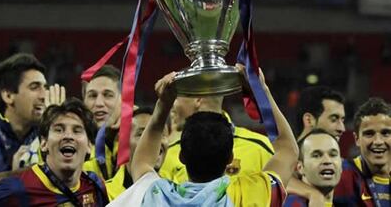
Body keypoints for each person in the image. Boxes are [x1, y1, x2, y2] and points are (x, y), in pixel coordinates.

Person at [108, 69, 298, 206]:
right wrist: (261, 90)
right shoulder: (248, 194)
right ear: (230, 158)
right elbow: (288, 150)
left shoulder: (158, 195)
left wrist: (163, 104)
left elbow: (141, 162)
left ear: (181, 156)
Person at [0, 98, 108, 206]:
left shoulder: (94, 185)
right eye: (59, 130)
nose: (68, 136)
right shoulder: (15, 190)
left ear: (89, 146)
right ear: (44, 144)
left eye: (77, 131)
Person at [0, 53, 65, 176]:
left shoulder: (50, 137)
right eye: (34, 87)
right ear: (8, 96)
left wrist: (56, 125)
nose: (44, 96)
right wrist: (16, 178)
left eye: (45, 87)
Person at [159, 95, 274, 184]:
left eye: (176, 97)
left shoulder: (260, 148)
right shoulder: (167, 154)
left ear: (197, 99)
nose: (172, 106)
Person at [333, 97, 391, 206]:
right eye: (369, 133)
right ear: (357, 139)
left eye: (385, 133)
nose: (378, 141)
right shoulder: (340, 173)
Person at [105, 107, 169, 200]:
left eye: (161, 134)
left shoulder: (176, 193)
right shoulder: (104, 195)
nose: (154, 141)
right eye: (142, 134)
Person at [82, 65, 122, 180]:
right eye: (92, 96)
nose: (99, 103)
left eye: (107, 95)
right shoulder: (75, 144)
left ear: (124, 100)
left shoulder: (139, 136)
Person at [284, 129, 342, 206]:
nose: (327, 161)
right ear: (300, 167)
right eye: (316, 156)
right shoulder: (293, 204)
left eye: (333, 155)